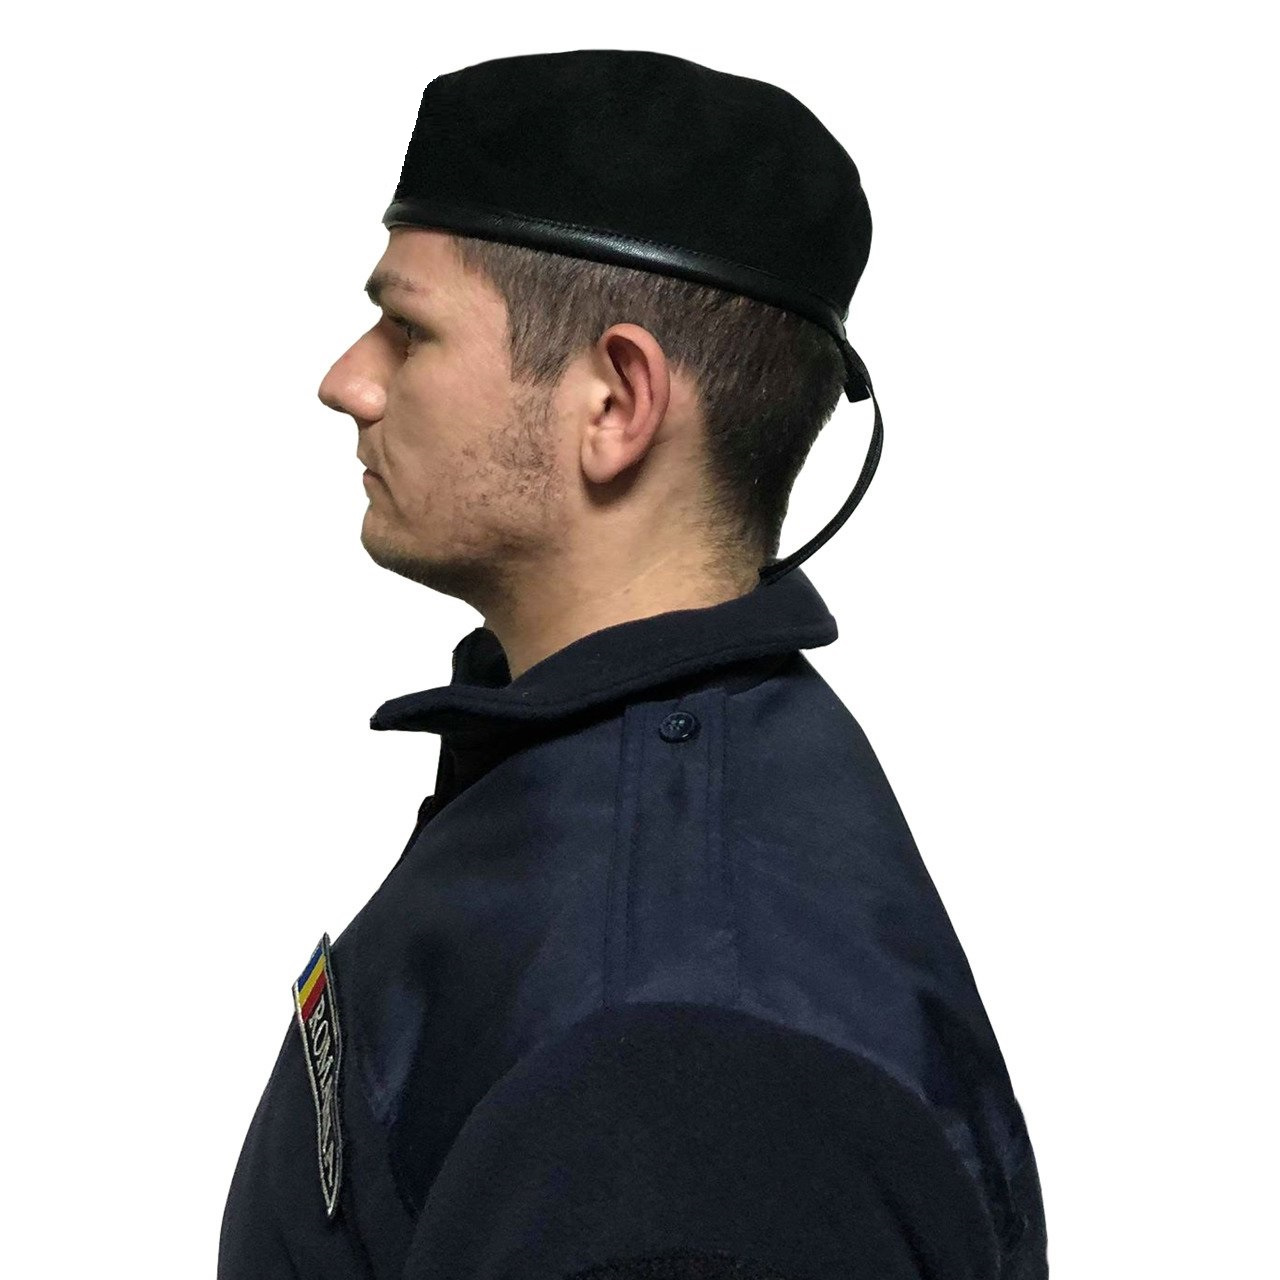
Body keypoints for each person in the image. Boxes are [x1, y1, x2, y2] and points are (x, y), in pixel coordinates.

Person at [218, 49, 1049, 1280]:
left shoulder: (682, 1075)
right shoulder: (605, 795)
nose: (347, 380)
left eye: (409, 328)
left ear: (614, 401)